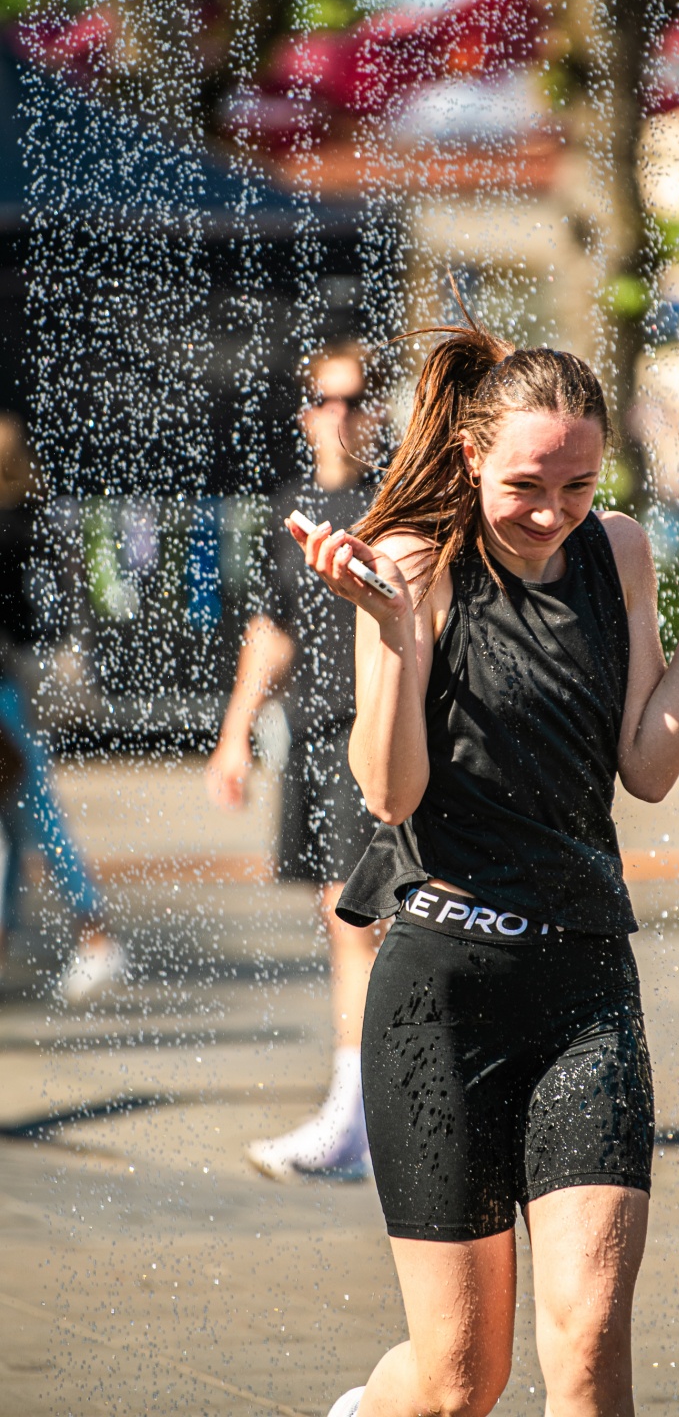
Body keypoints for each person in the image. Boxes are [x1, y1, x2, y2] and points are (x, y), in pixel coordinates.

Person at [289, 294, 679, 1417]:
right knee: (460, 1382)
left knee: (589, 1346)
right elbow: (389, 794)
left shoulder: (620, 553)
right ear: (470, 458)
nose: (552, 513)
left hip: (585, 988)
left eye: (578, 486)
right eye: (525, 486)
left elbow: (646, 767)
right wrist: (395, 630)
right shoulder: (411, 563)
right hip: (440, 997)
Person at [205, 342, 383, 1179]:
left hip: (371, 737)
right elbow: (271, 630)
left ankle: (361, 1121)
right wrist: (234, 735)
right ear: (306, 412)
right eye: (325, 399)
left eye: (357, 398)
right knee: (342, 917)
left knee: (361, 922)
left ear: (377, 411)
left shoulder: (394, 504)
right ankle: (370, 1111)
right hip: (313, 736)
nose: (339, 414)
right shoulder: (293, 506)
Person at [0, 413, 126, 1002]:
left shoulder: (9, 528)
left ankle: (95, 933)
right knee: (19, 819)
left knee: (34, 813)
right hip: (19, 685)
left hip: (6, 690)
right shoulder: (35, 520)